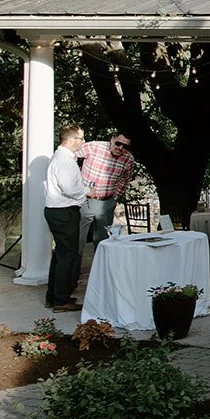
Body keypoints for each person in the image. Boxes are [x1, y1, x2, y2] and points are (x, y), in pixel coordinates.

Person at [44, 125, 87, 312]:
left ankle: (53, 297)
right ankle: (61, 300)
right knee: (67, 255)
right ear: (71, 140)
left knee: (61, 254)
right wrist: (87, 192)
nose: (82, 142)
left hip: (58, 211)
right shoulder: (64, 161)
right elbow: (70, 189)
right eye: (81, 139)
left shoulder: (61, 158)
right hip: (64, 212)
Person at [74, 133, 135, 251]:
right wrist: (75, 180)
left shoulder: (128, 159)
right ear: (111, 139)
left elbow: (125, 179)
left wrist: (115, 197)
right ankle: (74, 269)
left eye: (125, 146)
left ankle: (99, 269)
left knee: (103, 241)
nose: (120, 148)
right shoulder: (94, 147)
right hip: (85, 200)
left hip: (106, 203)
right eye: (118, 143)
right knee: (78, 239)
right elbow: (71, 154)